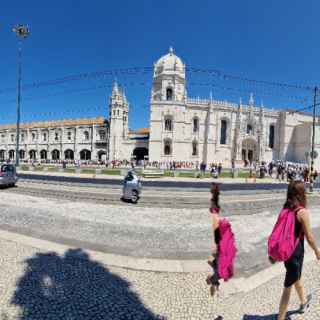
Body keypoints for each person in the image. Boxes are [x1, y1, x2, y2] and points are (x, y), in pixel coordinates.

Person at [275, 181, 320, 320]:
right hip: (295, 253)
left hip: (287, 253)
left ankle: (303, 302)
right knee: (288, 286)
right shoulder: (302, 212)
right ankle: (280, 318)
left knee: (296, 277)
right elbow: (310, 238)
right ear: (301, 194)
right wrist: (317, 251)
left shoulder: (285, 208)